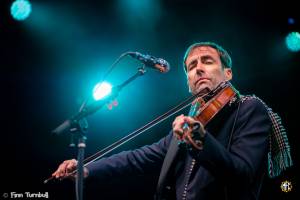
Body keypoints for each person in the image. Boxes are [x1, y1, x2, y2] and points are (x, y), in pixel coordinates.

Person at [52, 42, 292, 200]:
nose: (198, 69)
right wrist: (86, 168)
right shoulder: (188, 124)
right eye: (191, 66)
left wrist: (201, 140)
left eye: (207, 61)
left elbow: (243, 174)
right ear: (188, 82)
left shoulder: (248, 108)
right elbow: (137, 157)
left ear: (227, 73)